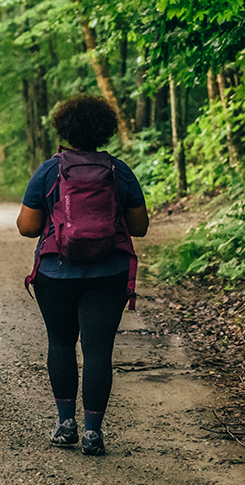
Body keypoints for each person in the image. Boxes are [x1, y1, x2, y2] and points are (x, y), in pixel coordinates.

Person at [16, 94, 149, 456]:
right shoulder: (118, 170)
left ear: (64, 129)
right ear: (104, 131)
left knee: (60, 343)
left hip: (56, 273)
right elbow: (139, 228)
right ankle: (93, 433)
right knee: (97, 350)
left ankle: (65, 425)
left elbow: (27, 228)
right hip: (109, 272)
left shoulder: (49, 170)